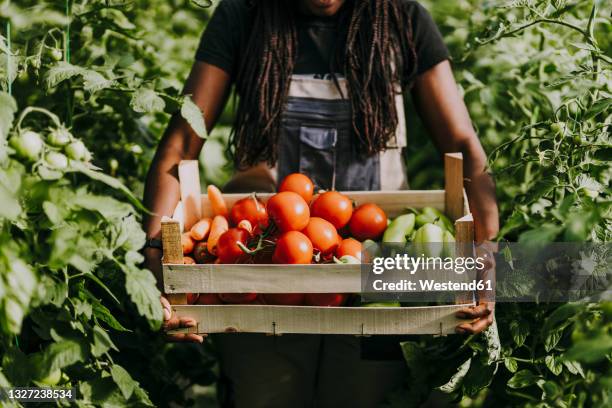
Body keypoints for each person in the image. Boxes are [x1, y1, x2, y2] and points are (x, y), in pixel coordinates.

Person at [142, 0, 498, 406]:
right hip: (265, 275)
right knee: (266, 396)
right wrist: (156, 254)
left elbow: (461, 142)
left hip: (379, 281)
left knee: (366, 397)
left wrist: (485, 254)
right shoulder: (244, 14)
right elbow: (181, 145)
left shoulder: (401, 17)